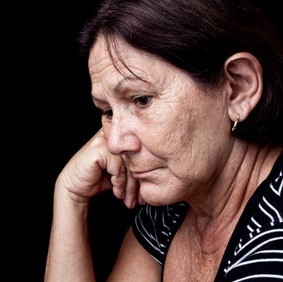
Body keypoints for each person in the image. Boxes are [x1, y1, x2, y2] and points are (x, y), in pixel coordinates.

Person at [44, 0, 283, 281]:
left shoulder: (274, 246)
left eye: (141, 100)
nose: (115, 143)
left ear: (238, 88)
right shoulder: (174, 210)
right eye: (107, 112)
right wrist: (70, 197)